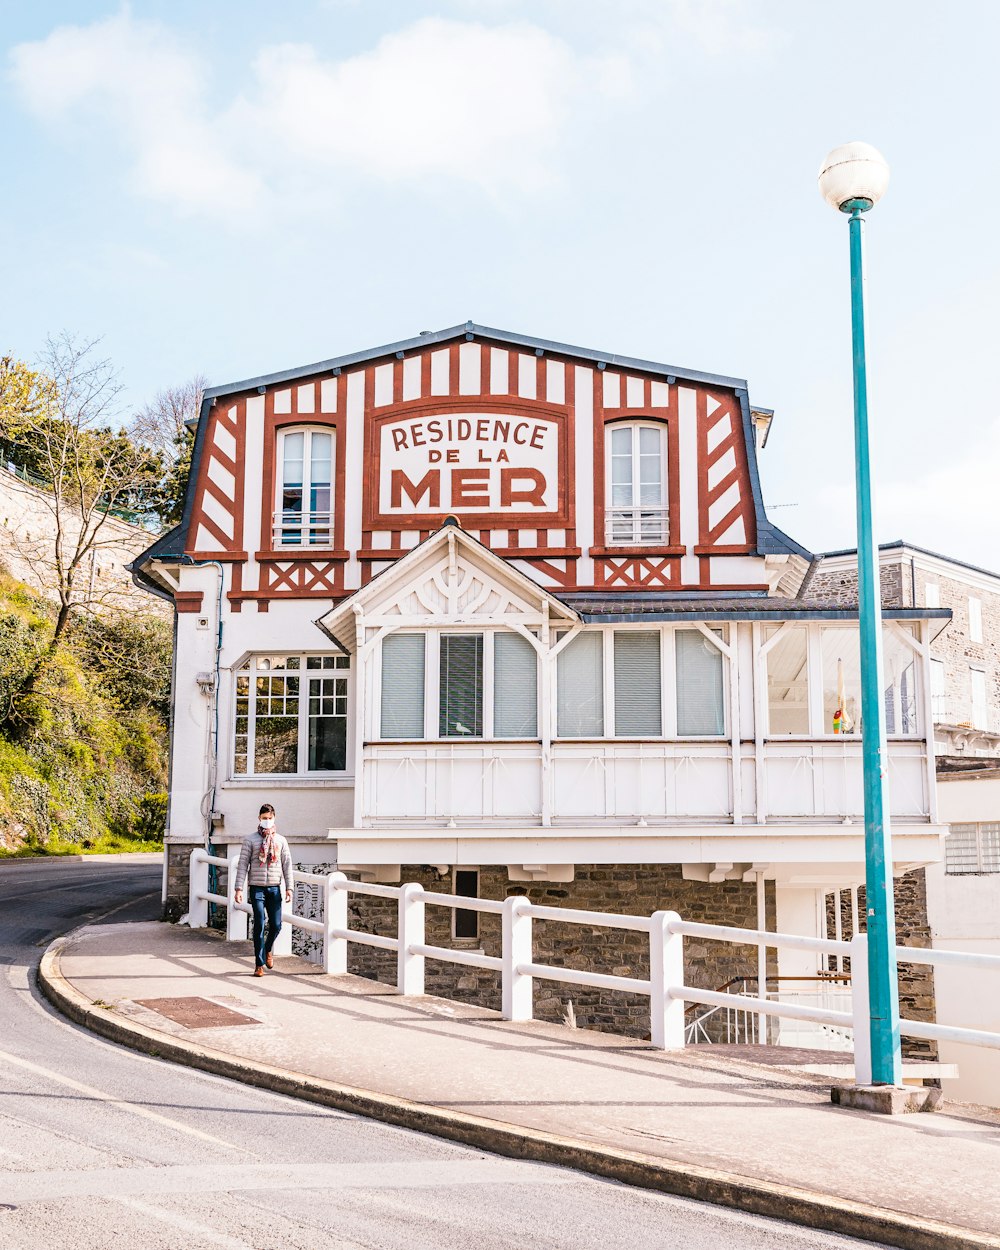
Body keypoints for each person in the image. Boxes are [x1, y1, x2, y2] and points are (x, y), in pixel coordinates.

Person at [234, 803, 293, 977]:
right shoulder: (250, 840)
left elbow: (287, 864)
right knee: (259, 923)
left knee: (276, 925)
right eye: (264, 818)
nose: (267, 821)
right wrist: (238, 889)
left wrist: (289, 887)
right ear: (259, 819)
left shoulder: (281, 840)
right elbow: (243, 865)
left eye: (270, 818)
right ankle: (259, 964)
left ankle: (268, 950)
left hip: (274, 888)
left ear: (274, 818)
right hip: (257, 888)